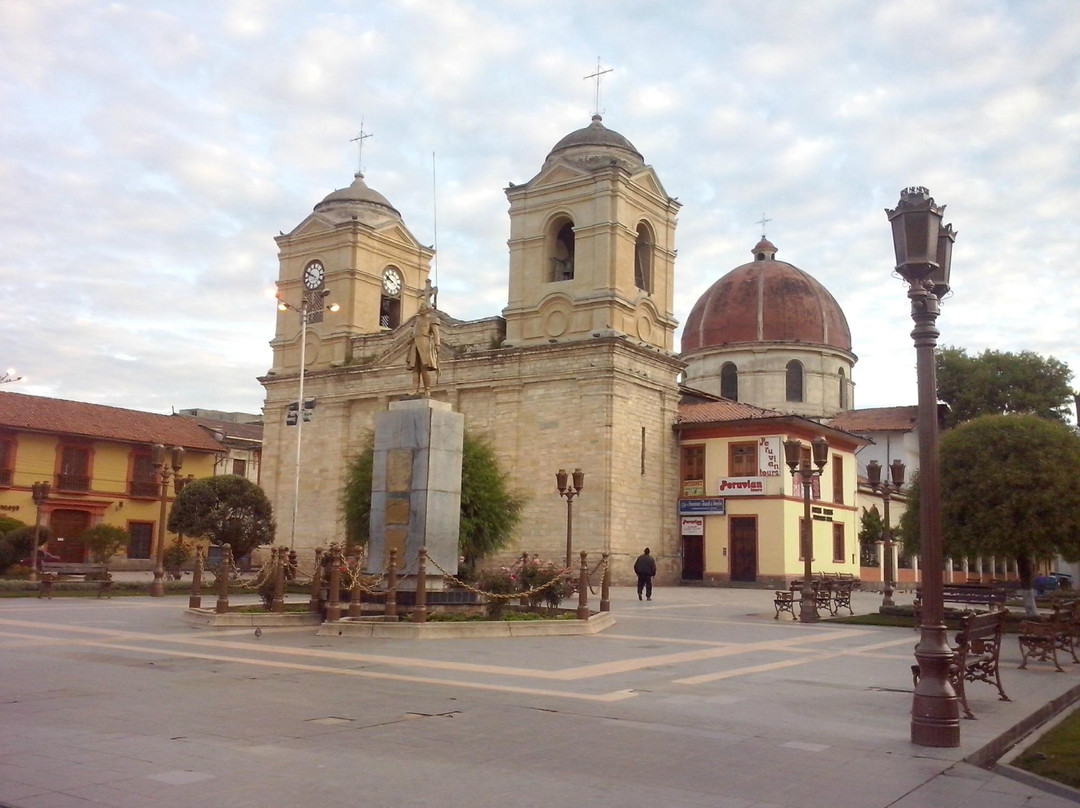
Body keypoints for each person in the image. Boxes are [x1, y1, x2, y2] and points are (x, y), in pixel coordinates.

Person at [406, 303, 441, 394]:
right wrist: (410, 339)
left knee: (424, 367)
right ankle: (414, 389)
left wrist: (437, 345)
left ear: (427, 309)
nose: (420, 309)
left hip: (425, 344)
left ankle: (427, 389)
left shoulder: (432, 319)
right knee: (415, 368)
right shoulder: (416, 320)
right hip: (415, 344)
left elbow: (436, 333)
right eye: (420, 307)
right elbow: (413, 332)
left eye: (422, 307)